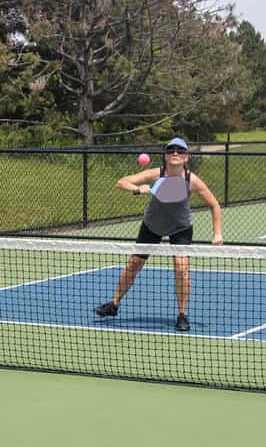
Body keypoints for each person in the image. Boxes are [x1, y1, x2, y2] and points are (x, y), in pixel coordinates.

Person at [93, 137, 223, 332]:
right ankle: (114, 304)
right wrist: (137, 189)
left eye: (180, 151)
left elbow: (214, 205)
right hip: (152, 225)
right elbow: (121, 182)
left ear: (186, 157)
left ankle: (181, 314)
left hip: (180, 227)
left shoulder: (192, 180)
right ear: (165, 156)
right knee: (132, 266)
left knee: (181, 268)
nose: (175, 154)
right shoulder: (155, 174)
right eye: (171, 150)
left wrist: (217, 234)